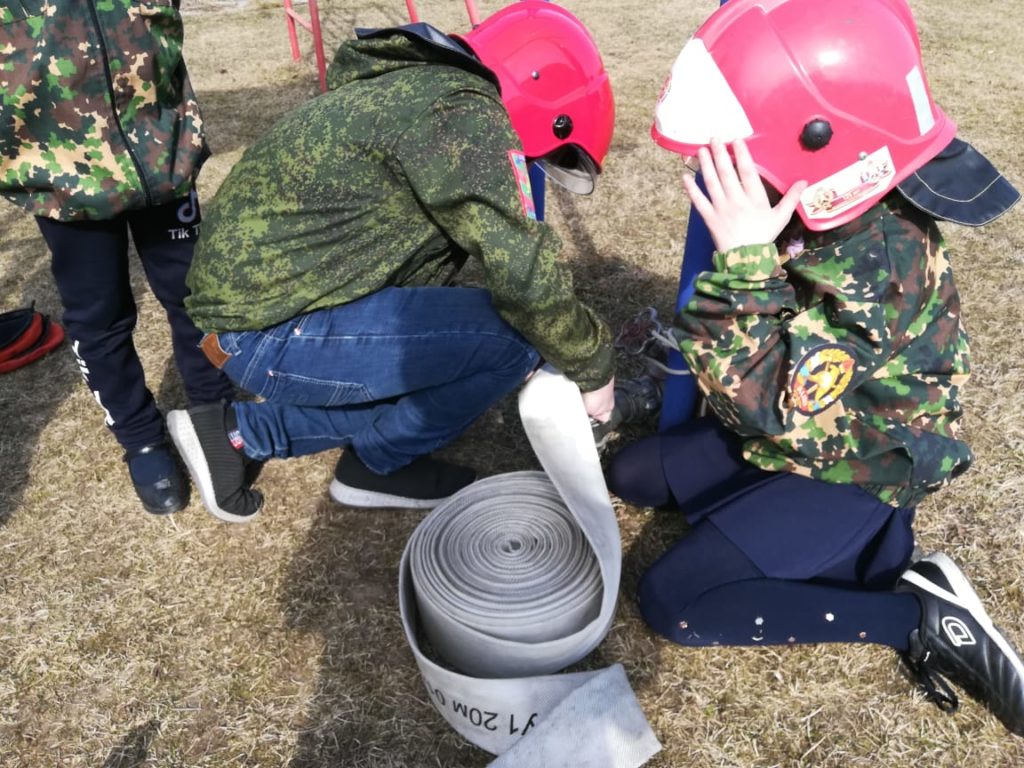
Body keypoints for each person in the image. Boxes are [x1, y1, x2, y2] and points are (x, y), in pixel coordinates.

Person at [606, 0, 1024, 736]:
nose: (721, 171)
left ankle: (915, 615)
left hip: (862, 464)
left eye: (746, 152)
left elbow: (767, 402)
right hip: (803, 434)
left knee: (675, 602)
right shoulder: (831, 201)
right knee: (631, 473)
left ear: (818, 142)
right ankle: (800, 532)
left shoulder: (878, 258)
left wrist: (744, 266)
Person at [166, 1, 617, 523]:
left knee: (449, 345)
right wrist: (593, 369)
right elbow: (522, 271)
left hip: (255, 318)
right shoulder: (461, 114)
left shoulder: (419, 90)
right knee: (511, 341)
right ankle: (378, 465)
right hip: (268, 331)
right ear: (547, 108)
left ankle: (237, 434)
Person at [0, 0, 236, 514]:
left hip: (160, 145)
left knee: (197, 292)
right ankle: (141, 438)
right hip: (59, 167)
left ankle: (213, 410)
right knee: (98, 313)